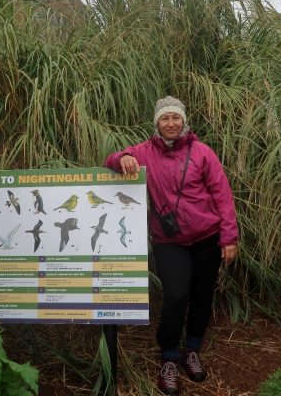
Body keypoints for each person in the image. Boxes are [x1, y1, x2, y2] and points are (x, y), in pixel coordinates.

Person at [104, 96, 238, 395]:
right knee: (177, 296)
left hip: (207, 237)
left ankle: (192, 348)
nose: (171, 123)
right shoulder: (146, 152)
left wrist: (229, 237)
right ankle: (168, 356)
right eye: (165, 119)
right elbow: (112, 159)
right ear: (157, 123)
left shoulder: (202, 153)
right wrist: (122, 157)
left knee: (202, 295)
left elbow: (223, 196)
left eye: (175, 118)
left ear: (183, 121)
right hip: (170, 241)